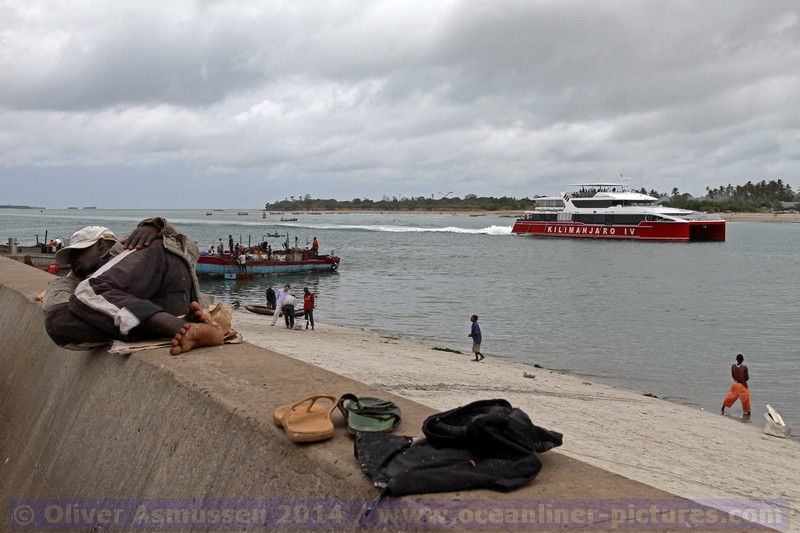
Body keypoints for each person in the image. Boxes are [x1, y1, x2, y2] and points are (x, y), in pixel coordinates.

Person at [44, 220, 224, 356]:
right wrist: (75, 276)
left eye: (77, 252)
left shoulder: (133, 247)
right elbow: (57, 304)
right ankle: (180, 324)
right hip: (165, 304)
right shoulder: (85, 280)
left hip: (167, 269)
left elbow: (189, 247)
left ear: (100, 245)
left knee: (85, 294)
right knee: (58, 321)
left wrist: (157, 225)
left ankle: (180, 326)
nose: (72, 259)